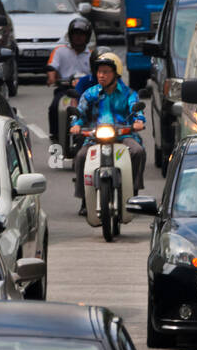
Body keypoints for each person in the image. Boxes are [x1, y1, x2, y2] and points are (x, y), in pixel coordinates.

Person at [71, 50, 145, 215]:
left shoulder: (128, 94)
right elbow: (80, 112)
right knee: (81, 156)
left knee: (137, 151)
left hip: (123, 135)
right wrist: (75, 124)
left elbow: (136, 110)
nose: (101, 75)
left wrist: (139, 121)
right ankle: (84, 200)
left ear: (116, 73)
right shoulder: (90, 93)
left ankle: (132, 192)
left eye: (105, 72)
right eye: (99, 72)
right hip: (95, 136)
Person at [46, 17, 95, 143]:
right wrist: (52, 78)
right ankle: (55, 136)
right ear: (70, 35)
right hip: (66, 90)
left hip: (86, 91)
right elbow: (52, 66)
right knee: (54, 106)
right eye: (75, 34)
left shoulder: (92, 55)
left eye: (82, 34)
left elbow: (97, 72)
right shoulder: (60, 51)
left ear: (87, 37)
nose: (78, 37)